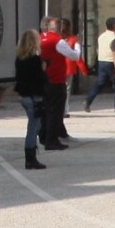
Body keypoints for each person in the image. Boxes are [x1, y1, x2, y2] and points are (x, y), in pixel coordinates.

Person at [37, 19, 75, 150]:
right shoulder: (58, 41)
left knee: (45, 111)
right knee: (56, 112)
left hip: (43, 80)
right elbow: (73, 56)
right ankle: (52, 140)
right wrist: (77, 46)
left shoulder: (39, 38)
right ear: (59, 28)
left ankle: (43, 137)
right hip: (56, 80)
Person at [12, 30, 47, 171]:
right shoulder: (35, 60)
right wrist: (43, 70)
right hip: (34, 97)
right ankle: (30, 159)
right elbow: (39, 80)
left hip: (24, 96)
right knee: (33, 128)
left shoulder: (19, 59)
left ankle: (32, 155)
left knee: (35, 126)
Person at [83, 17, 115, 113]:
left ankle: (88, 100)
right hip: (111, 62)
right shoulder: (114, 38)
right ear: (114, 26)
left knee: (99, 83)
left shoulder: (101, 36)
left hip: (102, 62)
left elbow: (97, 49)